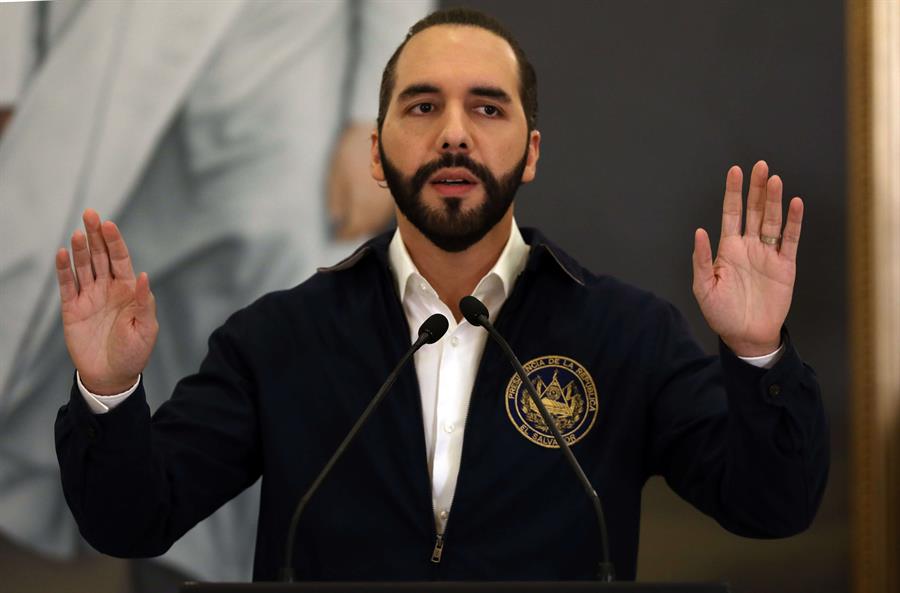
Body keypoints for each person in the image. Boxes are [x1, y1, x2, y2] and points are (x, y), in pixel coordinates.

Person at [53, 8, 829, 582]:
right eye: (422, 107)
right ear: (377, 152)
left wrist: (758, 353)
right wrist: (110, 389)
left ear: (528, 155)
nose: (454, 134)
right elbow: (133, 517)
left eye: (487, 108)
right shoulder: (277, 339)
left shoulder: (627, 333)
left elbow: (772, 507)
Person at [0, 0, 432, 586]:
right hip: (119, 65)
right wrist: (7, 79)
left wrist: (377, 119)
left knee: (288, 356)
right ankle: (165, 564)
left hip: (282, 66)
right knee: (132, 330)